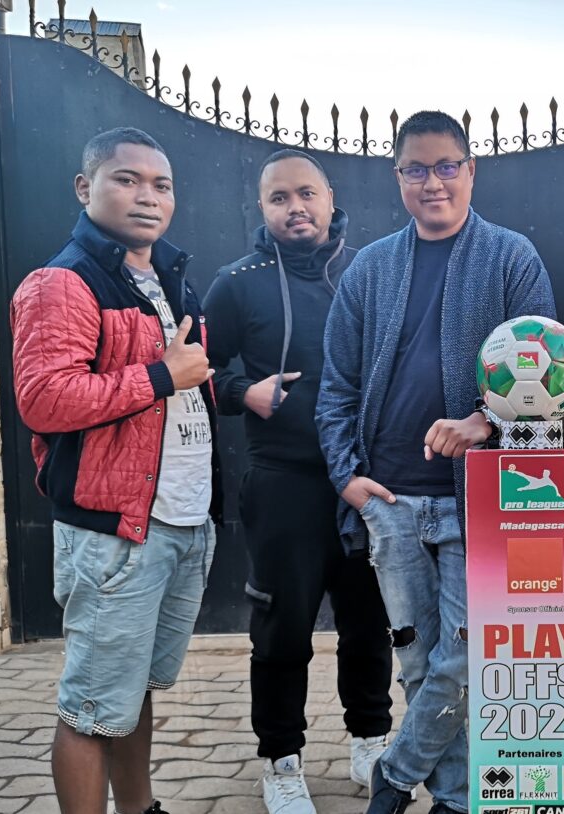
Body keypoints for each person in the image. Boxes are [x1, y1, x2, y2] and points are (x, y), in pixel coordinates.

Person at [316, 110, 555, 814]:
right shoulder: (370, 267)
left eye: (447, 165)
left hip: (478, 499)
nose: (433, 181)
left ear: (471, 169)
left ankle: (393, 777)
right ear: (398, 177)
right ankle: (453, 797)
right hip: (388, 501)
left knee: (469, 654)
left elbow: (550, 379)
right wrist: (348, 479)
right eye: (416, 168)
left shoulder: (511, 259)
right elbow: (336, 387)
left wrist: (485, 420)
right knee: (420, 663)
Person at [10, 127, 219, 814]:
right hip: (114, 534)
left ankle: (142, 808)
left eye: (161, 184)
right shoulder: (62, 283)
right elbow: (44, 400)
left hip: (180, 521)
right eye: (127, 179)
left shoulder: (165, 279)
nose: (147, 196)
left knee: (129, 697)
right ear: (85, 187)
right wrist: (163, 373)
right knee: (92, 707)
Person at [203, 149, 393, 813]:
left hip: (364, 478)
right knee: (282, 630)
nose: (296, 208)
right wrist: (240, 391)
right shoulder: (237, 283)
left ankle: (371, 738)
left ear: (330, 199)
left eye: (306, 194)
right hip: (282, 479)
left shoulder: (370, 273)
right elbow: (199, 369)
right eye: (280, 197)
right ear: (263, 208)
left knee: (368, 621)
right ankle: (281, 757)